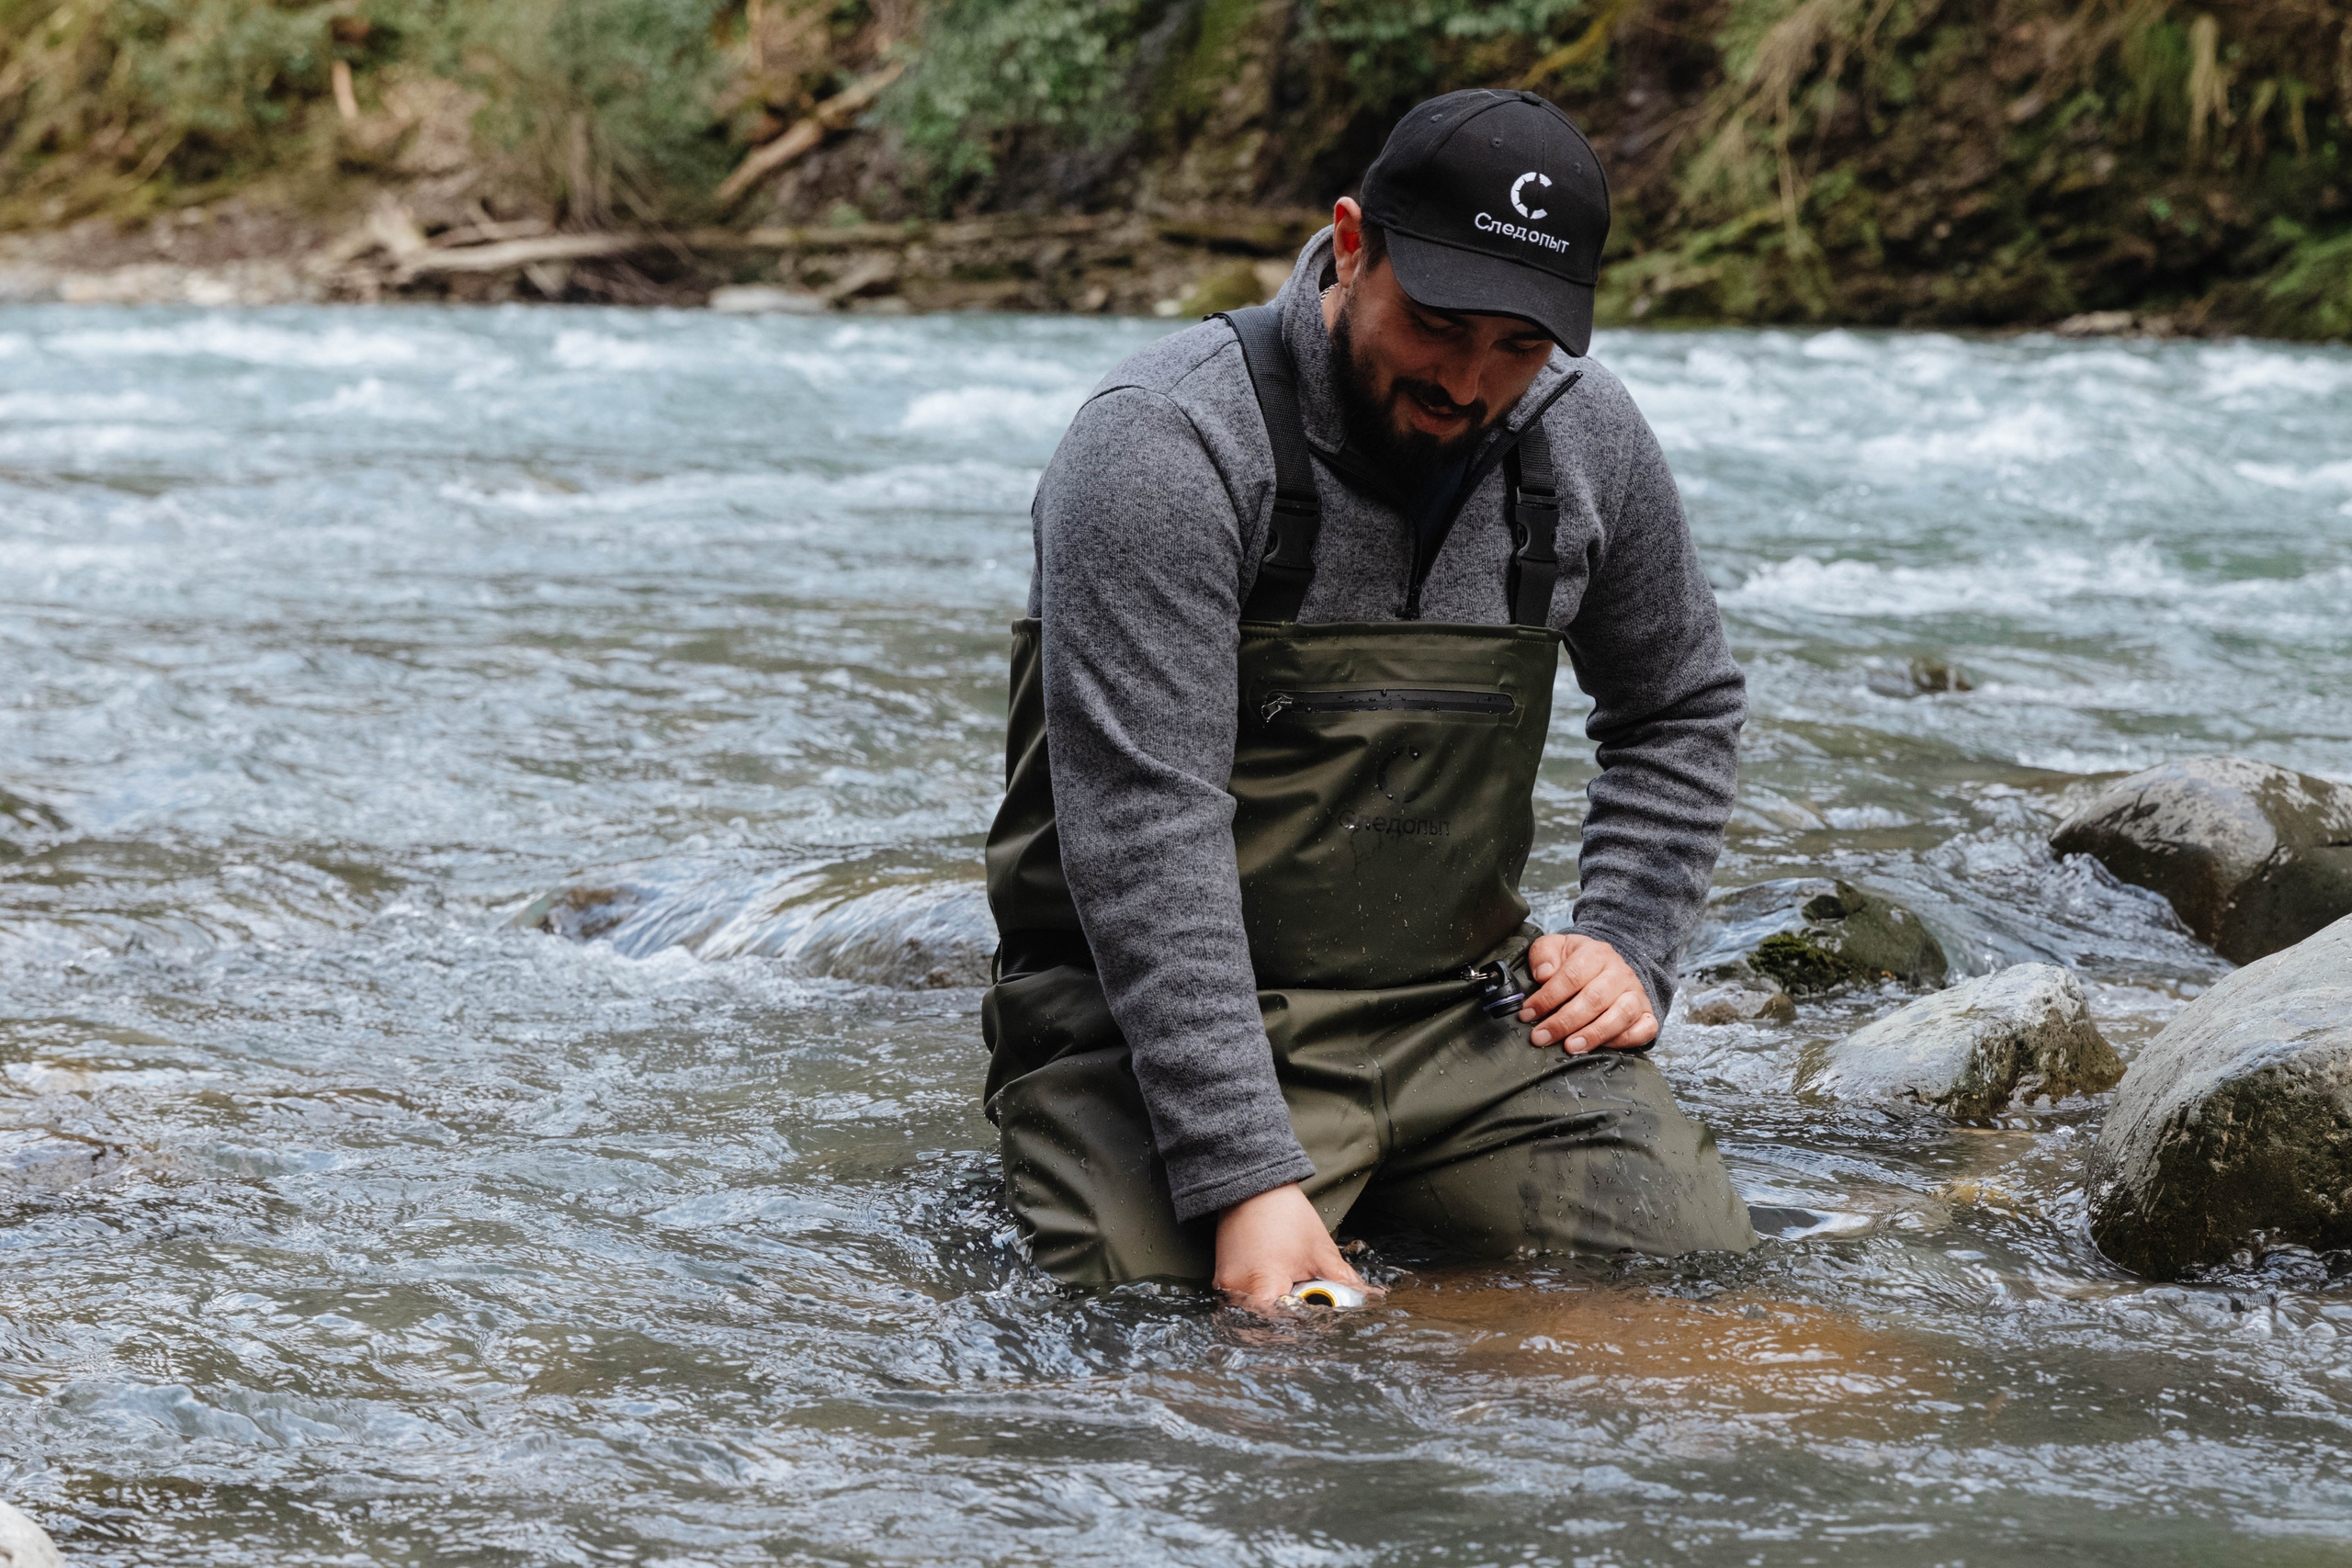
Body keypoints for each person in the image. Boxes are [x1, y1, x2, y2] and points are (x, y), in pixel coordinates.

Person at [980, 87, 1754, 1311]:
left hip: (1461, 1019)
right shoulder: (1164, 444)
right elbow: (1144, 833)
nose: (1471, 381)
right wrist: (1245, 1173)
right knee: (1165, 1336)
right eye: (1440, 325)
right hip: (1142, 1027)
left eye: (1520, 344)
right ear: (1352, 244)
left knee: (1689, 1291)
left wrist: (1626, 941)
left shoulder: (1588, 437)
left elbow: (1680, 706)